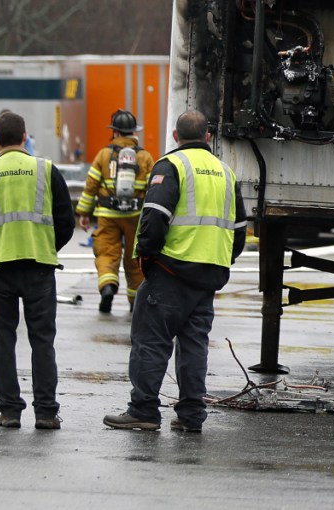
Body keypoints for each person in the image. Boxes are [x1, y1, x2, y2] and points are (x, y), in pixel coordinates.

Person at [103, 110, 246, 432]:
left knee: (151, 342)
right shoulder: (226, 172)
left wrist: (148, 258)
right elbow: (239, 229)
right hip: (208, 275)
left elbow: (153, 218)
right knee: (194, 346)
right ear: (208, 137)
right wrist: (221, 259)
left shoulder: (171, 166)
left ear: (175, 137)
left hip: (170, 271)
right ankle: (191, 416)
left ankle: (143, 410)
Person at [0, 111, 76, 430]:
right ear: (25, 137)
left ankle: (10, 411)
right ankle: (46, 412)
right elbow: (66, 221)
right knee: (42, 340)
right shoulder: (46, 170)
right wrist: (46, 247)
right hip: (39, 266)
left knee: (3, 339)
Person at [75, 109, 154, 313]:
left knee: (106, 253)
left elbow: (91, 185)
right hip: (135, 217)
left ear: (115, 132)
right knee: (134, 259)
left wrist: (83, 213)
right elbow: (153, 189)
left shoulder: (104, 154)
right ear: (134, 132)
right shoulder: (144, 157)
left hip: (108, 216)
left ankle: (108, 287)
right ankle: (135, 302)